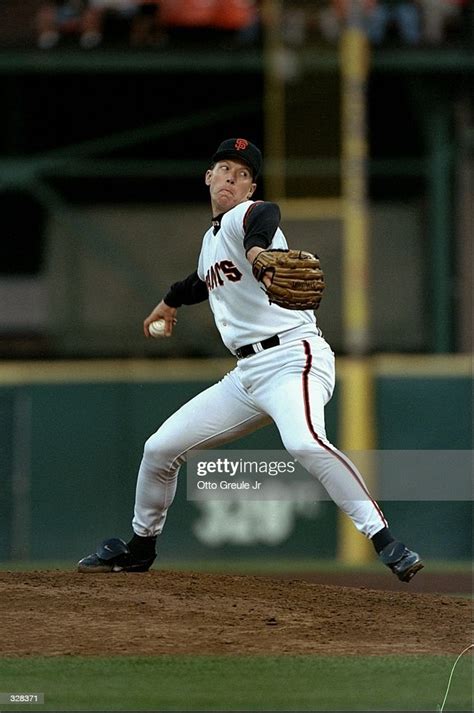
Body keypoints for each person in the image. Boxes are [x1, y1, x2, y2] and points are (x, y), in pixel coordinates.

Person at [78, 137, 423, 583]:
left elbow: (265, 218)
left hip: (293, 358)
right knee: (159, 449)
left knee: (304, 443)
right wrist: (169, 302)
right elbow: (201, 282)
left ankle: (385, 540)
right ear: (209, 176)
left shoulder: (249, 217)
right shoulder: (212, 240)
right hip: (247, 376)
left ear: (249, 188)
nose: (231, 178)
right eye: (224, 169)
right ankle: (141, 547)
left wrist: (260, 255)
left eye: (242, 175)